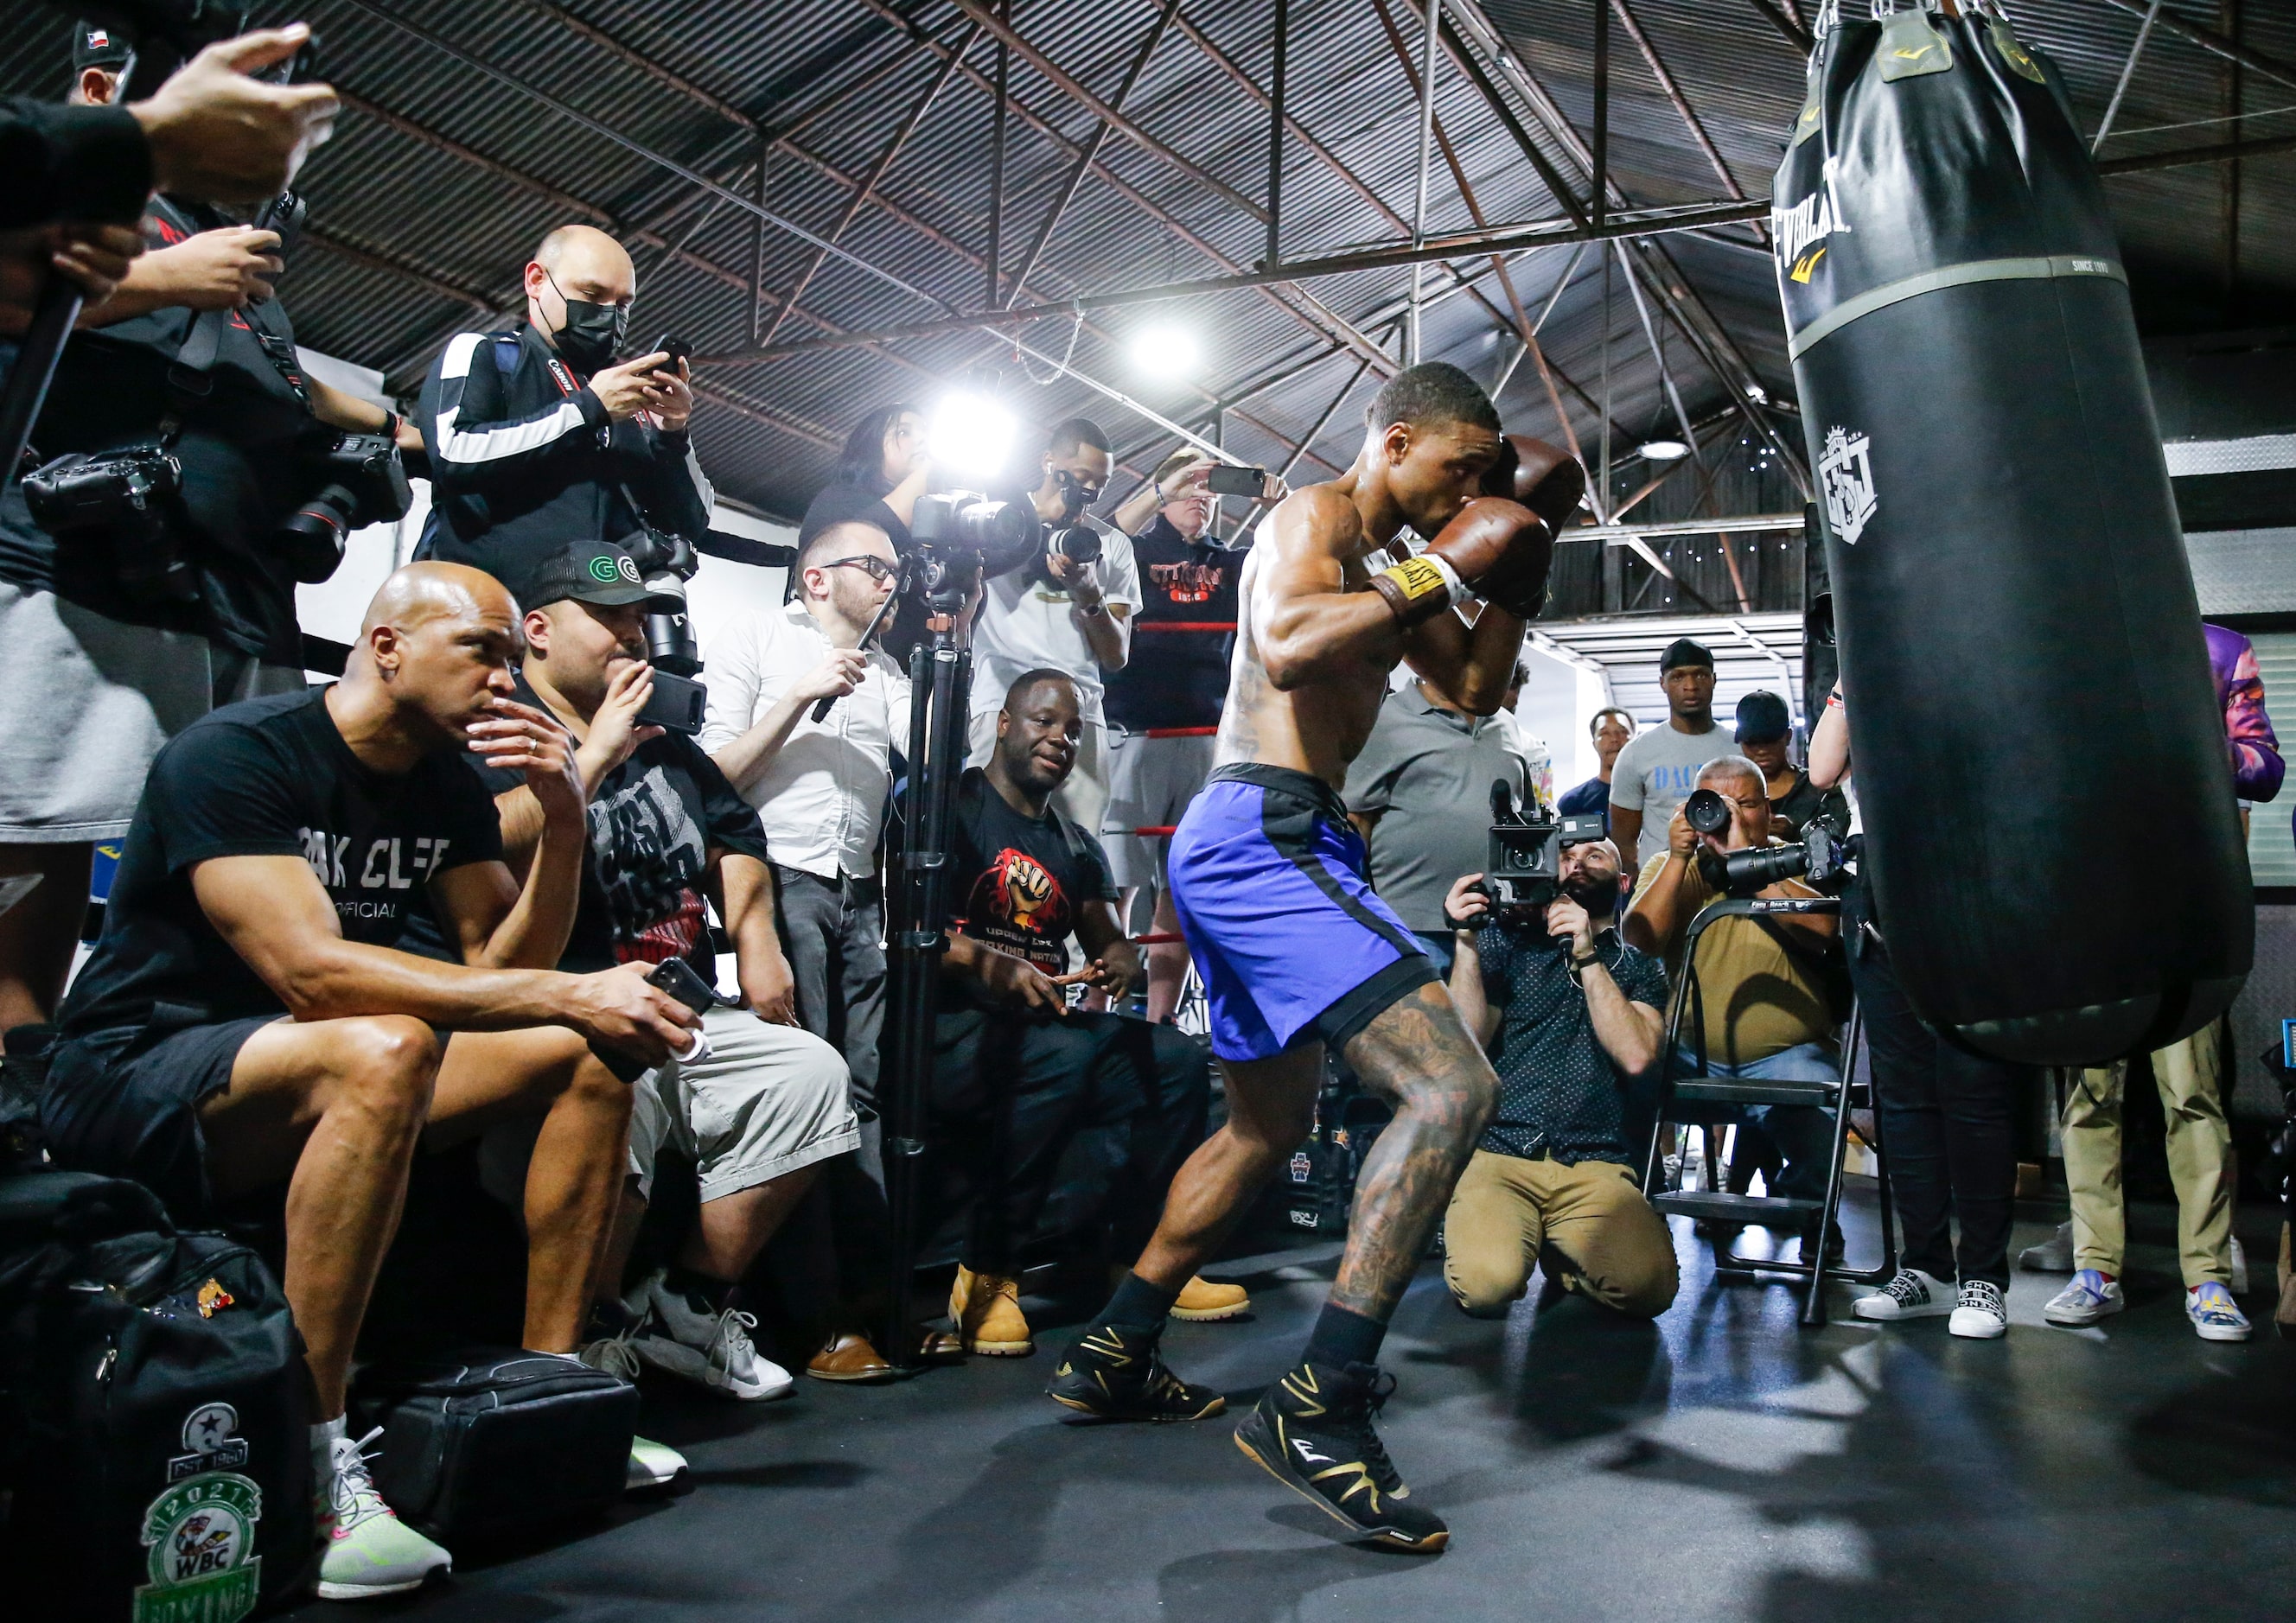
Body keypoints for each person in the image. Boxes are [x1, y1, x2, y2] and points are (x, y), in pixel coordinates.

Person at [36, 563, 700, 1601]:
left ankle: (554, 1401)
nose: (503, 677)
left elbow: (488, 966)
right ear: (386, 645)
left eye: (505, 654)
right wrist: (569, 991)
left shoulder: (440, 780)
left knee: (582, 1053)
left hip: (305, 1059)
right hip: (139, 1069)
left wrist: (563, 819)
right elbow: (309, 973)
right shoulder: (238, 752)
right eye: (479, 648)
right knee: (387, 1042)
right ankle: (316, 1464)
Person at [1049, 361, 1568, 1555]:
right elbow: (1285, 646)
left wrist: (1515, 580)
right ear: (1394, 442)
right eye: (1459, 469)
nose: (1470, 492)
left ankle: (1113, 1349)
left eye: (1487, 481)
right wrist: (1454, 558)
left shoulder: (1396, 564)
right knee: (1453, 1088)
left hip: (1291, 834)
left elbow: (1475, 686)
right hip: (1262, 830)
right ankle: (1318, 1405)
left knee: (1260, 1131)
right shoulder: (1315, 517)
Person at [0, 28, 405, 1035]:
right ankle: (15, 1071)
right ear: (103, 87)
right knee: (43, 832)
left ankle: (141, 1075)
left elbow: (284, 385)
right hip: (91, 578)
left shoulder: (234, 258)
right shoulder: (80, 201)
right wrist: (164, 281)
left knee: (216, 844)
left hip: (233, 598)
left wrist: (379, 425)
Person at [404, 541, 858, 1405]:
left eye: (637, 619)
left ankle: (685, 1307)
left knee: (809, 1072)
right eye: (606, 618)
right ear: (536, 631)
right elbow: (469, 848)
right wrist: (592, 758)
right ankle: (593, 1329)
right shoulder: (488, 729)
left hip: (683, 1001)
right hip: (559, 1010)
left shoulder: (667, 744)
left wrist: (757, 938)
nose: (631, 637)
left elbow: (735, 837)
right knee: (619, 1073)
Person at [934, 670, 1236, 1354]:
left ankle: (1141, 1262)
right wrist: (993, 964)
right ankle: (986, 1273)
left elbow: (1108, 937)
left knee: (1176, 1062)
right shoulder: (953, 807)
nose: (1059, 739)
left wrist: (1122, 961)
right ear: (1005, 722)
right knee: (1061, 1056)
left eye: (1071, 730)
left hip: (1038, 1030)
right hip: (952, 1031)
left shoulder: (1072, 841)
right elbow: (915, 933)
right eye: (1043, 722)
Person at [699, 516, 914, 1378]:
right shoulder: (755, 638)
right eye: (876, 566)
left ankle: (870, 1307)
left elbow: (954, 753)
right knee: (806, 1098)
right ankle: (810, 1320)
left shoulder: (891, 672)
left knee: (863, 1100)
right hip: (777, 881)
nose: (893, 581)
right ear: (817, 577)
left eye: (898, 569)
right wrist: (798, 695)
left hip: (861, 895)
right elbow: (710, 778)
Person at [2020, 624, 2279, 1342]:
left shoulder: (2220, 651)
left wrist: (2192, 740)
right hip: (2095, 910)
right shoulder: (2076, 646)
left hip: (2189, 911)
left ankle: (2208, 1278)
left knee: (2193, 1096)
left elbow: (2263, 770)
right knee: (2088, 1095)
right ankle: (2096, 1267)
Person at [1808, 684, 2024, 1340]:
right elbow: (1821, 770)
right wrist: (1850, 681)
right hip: (1876, 877)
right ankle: (1926, 1270)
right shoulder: (1867, 680)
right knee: (1903, 1096)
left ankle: (1983, 1278)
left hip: (1965, 866)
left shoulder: (1961, 665)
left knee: (1974, 1087)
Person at [1437, 833, 1677, 1321]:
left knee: (1649, 1290)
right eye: (1565, 857)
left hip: (1594, 1162)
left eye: (1595, 856)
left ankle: (1561, 1255)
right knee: (1486, 1288)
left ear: (1624, 881)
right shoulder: (1508, 946)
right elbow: (1465, 1042)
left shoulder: (1638, 966)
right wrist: (1466, 942)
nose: (1578, 863)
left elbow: (1636, 1057)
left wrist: (1588, 956)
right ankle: (1515, 1234)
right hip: (1502, 1153)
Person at [415, 223, 711, 605]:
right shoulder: (488, 354)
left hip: (590, 630)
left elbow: (693, 521)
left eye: (622, 305)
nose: (607, 314)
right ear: (536, 281)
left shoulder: (629, 401)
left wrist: (673, 434)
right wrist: (589, 409)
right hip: (480, 614)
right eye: (591, 293)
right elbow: (455, 452)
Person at [1623, 754, 1842, 1228]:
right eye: (1715, 804)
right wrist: (1681, 856)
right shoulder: (1673, 866)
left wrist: (1747, 862)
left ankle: (1803, 1216)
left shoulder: (1797, 856)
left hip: (1788, 1058)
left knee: (1823, 1119)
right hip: (1687, 1056)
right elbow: (1640, 940)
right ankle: (1643, 1214)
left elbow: (1823, 926)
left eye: (1744, 804)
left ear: (1767, 810)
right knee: (1618, 1077)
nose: (1729, 816)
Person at [1099, 450, 1234, 1022]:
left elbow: (1298, 554)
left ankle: (1161, 1021)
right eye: (1188, 488)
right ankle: (1094, 1005)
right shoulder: (1134, 547)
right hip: (1138, 731)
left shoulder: (1231, 561)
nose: (1198, 498)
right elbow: (1101, 535)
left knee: (1179, 891)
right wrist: (1159, 491)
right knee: (1116, 883)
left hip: (1206, 737)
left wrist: (1278, 503)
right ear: (1164, 490)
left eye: (1208, 491)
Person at [966, 417, 1140, 838]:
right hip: (1001, 700)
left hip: (1082, 712)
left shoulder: (1110, 545)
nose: (1089, 495)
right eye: (1080, 478)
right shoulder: (998, 521)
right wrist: (1032, 524)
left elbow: (1116, 656)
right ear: (1049, 462)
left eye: (1099, 486)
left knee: (1078, 848)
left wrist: (1088, 593)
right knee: (988, 840)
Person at [1343, 671, 1542, 974]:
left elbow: (1522, 814)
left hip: (1498, 926)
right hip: (1411, 928)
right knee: (1424, 1022)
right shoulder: (1384, 718)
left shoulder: (1506, 723)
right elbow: (1355, 824)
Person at [1608, 640, 1724, 880]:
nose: (1690, 686)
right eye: (1678, 677)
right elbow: (1624, 842)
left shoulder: (1738, 748)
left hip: (1729, 880)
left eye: (1700, 676)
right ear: (1663, 683)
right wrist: (1644, 890)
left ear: (1714, 679)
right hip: (1662, 882)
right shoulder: (1636, 753)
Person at [800, 401, 928, 553]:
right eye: (903, 432)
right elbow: (874, 533)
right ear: (873, 445)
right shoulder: (837, 498)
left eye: (926, 432)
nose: (923, 439)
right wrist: (934, 466)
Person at [1732, 690, 1846, 837]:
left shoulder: (1820, 790)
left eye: (1770, 741)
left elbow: (1840, 840)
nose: (1761, 751)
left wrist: (1797, 833)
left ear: (1788, 736)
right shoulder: (1732, 793)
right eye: (1751, 743)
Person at [1557, 706, 1635, 826]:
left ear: (1635, 740)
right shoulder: (1573, 801)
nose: (1614, 739)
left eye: (1622, 731)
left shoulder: (1652, 796)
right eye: (1605, 733)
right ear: (1594, 743)